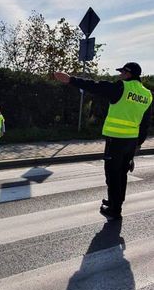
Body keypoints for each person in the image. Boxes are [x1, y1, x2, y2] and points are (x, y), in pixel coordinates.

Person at [54, 62, 152, 220]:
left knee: (112, 174)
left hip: (116, 140)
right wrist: (138, 144)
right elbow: (146, 122)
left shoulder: (121, 87)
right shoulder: (147, 94)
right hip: (131, 141)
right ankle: (116, 201)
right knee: (122, 174)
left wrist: (71, 80)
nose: (119, 75)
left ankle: (114, 209)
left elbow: (95, 86)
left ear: (128, 74)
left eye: (121, 72)